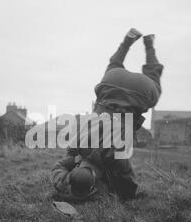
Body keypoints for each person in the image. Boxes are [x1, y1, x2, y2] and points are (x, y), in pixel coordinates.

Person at [51, 28, 163, 202]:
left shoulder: (115, 155)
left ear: (96, 179)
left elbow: (127, 179)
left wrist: (128, 197)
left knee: (154, 81)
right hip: (111, 82)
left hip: (141, 91)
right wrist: (65, 178)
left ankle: (149, 45)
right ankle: (127, 41)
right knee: (113, 64)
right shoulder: (76, 146)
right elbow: (58, 168)